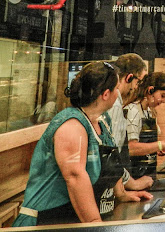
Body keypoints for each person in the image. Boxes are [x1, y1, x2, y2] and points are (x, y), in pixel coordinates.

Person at [14, 62, 152, 227]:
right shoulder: (72, 124)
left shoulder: (103, 121)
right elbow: (75, 177)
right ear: (106, 94)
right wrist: (95, 224)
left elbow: (110, 163)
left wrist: (121, 193)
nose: (118, 93)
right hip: (46, 222)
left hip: (72, 220)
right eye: (116, 88)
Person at [105, 53, 152, 191]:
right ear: (129, 77)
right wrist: (132, 184)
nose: (137, 87)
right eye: (138, 82)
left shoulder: (115, 103)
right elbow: (110, 156)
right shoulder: (114, 105)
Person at [126, 72, 165, 179]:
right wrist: (163, 143)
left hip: (147, 173)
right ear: (150, 90)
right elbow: (131, 148)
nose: (164, 101)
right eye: (162, 96)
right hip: (135, 176)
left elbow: (143, 143)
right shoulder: (133, 111)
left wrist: (155, 148)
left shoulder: (148, 111)